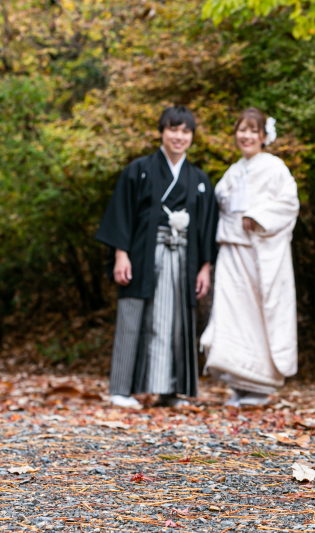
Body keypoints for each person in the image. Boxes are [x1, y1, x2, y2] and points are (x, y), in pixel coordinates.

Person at [95, 105, 217, 408]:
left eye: (185, 131)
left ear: (192, 136)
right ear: (161, 132)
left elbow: (206, 227)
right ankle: (121, 390)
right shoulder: (138, 170)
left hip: (184, 259)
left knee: (178, 322)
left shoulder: (199, 179)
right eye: (173, 129)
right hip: (142, 254)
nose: (179, 136)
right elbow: (122, 214)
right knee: (133, 316)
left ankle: (170, 391)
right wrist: (121, 254)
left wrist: (205, 267)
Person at [200, 108, 299, 407]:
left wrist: (257, 216)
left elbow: (289, 203)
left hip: (259, 255)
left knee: (257, 315)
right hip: (231, 251)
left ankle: (258, 383)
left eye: (253, 130)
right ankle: (238, 382)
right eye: (242, 129)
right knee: (231, 315)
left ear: (264, 136)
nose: (246, 135)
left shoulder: (274, 167)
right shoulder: (234, 170)